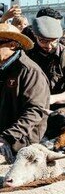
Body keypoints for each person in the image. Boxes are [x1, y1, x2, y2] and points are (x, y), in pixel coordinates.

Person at [0, 24, 50, 162]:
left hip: (20, 143)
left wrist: (6, 138)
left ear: (12, 45)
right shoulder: (3, 68)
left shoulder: (29, 71)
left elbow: (35, 111)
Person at [26, 10, 65, 110]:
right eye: (43, 41)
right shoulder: (26, 54)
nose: (49, 46)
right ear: (35, 36)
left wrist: (52, 99)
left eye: (53, 41)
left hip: (56, 114)